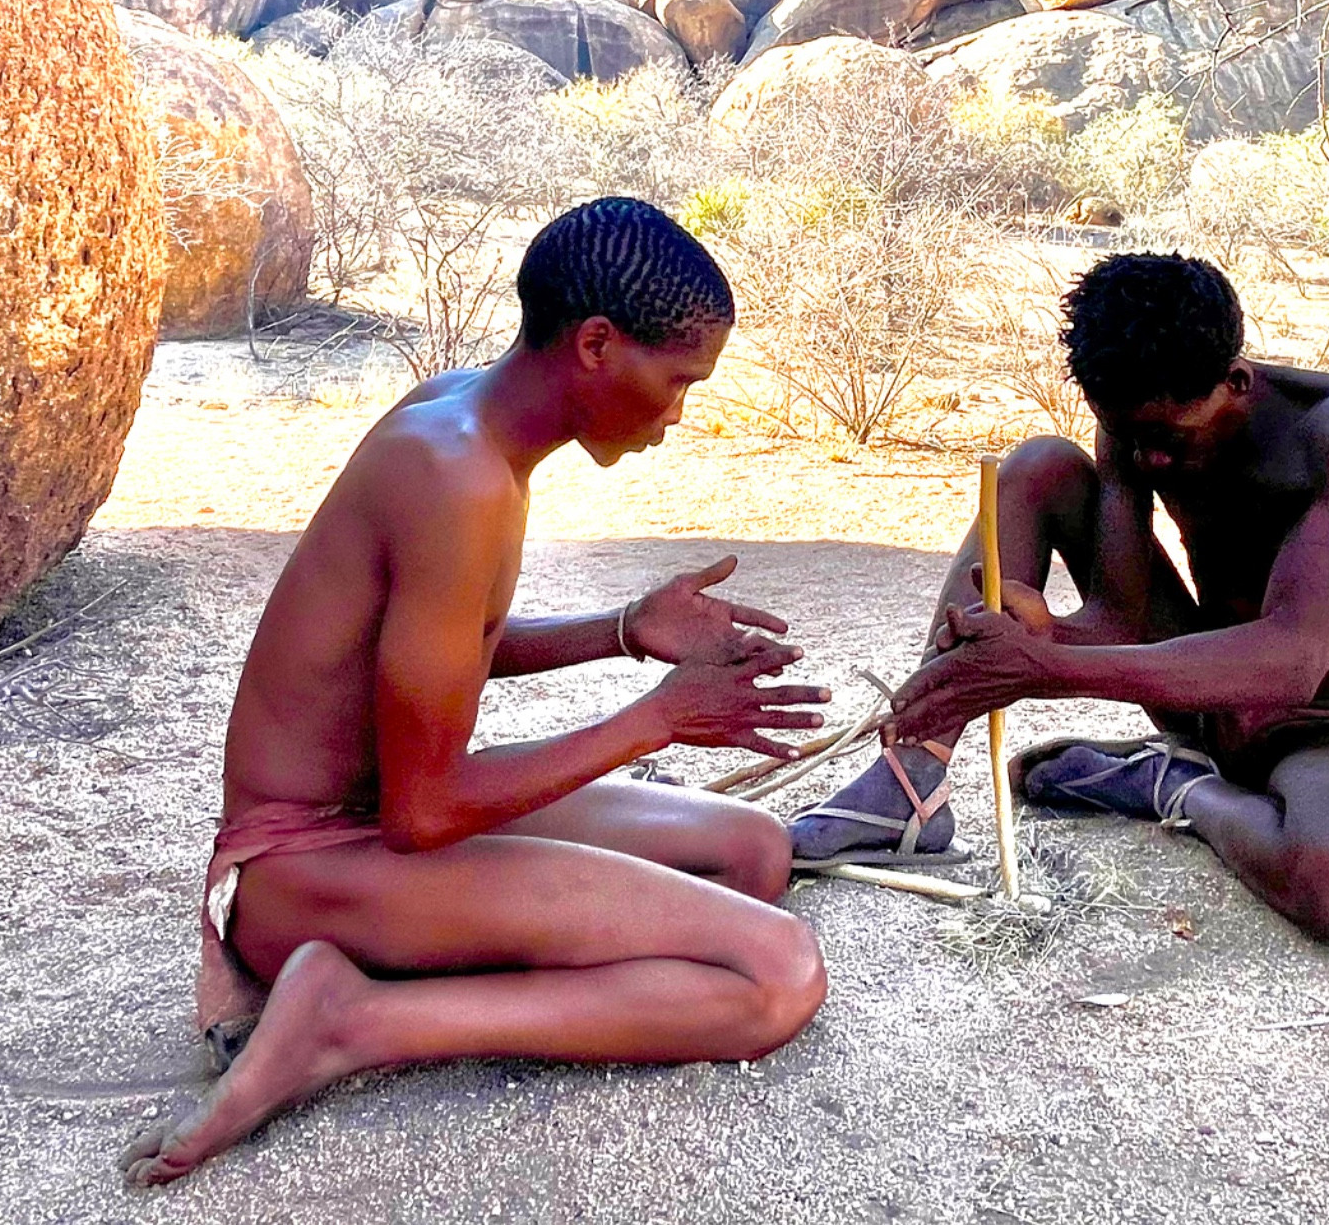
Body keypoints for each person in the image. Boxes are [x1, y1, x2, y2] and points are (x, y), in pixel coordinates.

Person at [125, 198, 831, 1187]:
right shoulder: (455, 478)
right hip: (308, 857)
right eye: (675, 381)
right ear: (594, 343)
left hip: (372, 822)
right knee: (777, 973)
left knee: (751, 849)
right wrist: (655, 720)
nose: (677, 415)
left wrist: (625, 630)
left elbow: (442, 651)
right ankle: (352, 1018)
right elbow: (424, 812)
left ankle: (387, 967)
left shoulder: (469, 419)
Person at [791, 252, 1329, 942]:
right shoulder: (1136, 428)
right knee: (1037, 467)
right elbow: (1121, 619)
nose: (1148, 461)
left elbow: (1293, 662)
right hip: (1202, 694)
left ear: (1237, 382)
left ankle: (1175, 787)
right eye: (1126, 435)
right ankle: (910, 781)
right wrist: (1037, 636)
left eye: (1166, 438)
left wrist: (1047, 670)